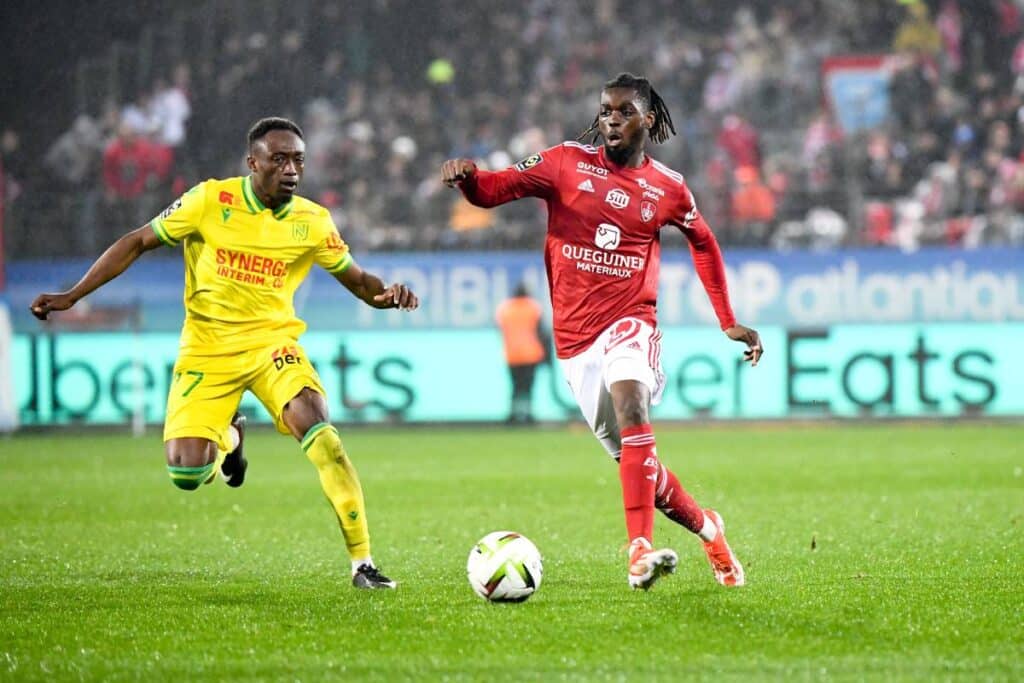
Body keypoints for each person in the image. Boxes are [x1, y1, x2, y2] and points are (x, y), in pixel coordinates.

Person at [31, 117, 418, 590]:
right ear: (252, 163)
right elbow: (136, 242)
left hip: (273, 346)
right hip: (207, 348)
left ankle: (363, 564)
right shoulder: (209, 201)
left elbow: (358, 280)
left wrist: (383, 295)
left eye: (298, 159)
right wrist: (72, 296)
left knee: (324, 436)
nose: (291, 169)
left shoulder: (312, 221)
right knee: (186, 473)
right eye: (279, 159)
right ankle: (231, 440)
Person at [442, 73, 763, 591]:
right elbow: (493, 190)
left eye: (624, 111)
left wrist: (728, 320)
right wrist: (467, 178)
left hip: (632, 321)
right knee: (645, 473)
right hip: (575, 343)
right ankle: (709, 529)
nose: (612, 119)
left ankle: (638, 549)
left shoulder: (668, 187)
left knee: (633, 401)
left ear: (648, 120)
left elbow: (704, 243)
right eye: (606, 110)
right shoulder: (565, 163)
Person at [495, 283, 548, 424]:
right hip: (531, 353)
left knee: (515, 387)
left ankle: (513, 415)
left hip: (512, 355)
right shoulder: (533, 308)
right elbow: (541, 332)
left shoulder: (505, 309)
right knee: (528, 387)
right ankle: (528, 415)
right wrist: (546, 354)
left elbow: (500, 330)